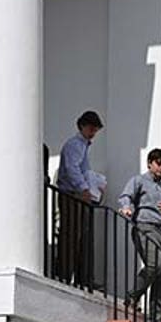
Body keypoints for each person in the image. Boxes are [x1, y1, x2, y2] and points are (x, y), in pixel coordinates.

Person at [117, 149, 161, 317]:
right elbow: (126, 196)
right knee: (155, 265)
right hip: (145, 227)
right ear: (150, 163)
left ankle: (156, 318)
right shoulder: (139, 180)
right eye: (159, 164)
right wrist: (127, 208)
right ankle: (132, 297)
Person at [54, 111, 106, 286]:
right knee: (71, 237)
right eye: (91, 128)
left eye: (95, 129)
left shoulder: (81, 146)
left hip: (76, 195)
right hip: (71, 195)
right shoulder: (75, 145)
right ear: (82, 126)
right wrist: (84, 189)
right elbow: (72, 169)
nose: (93, 132)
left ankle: (81, 278)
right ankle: (65, 275)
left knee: (80, 237)